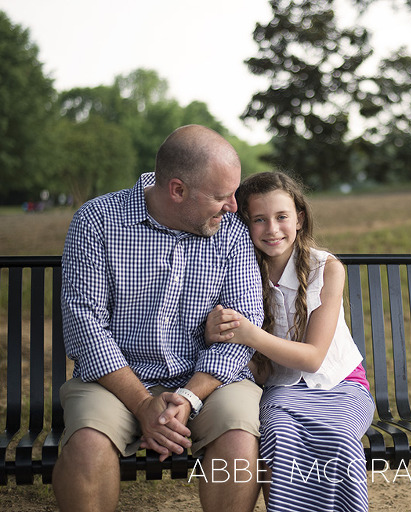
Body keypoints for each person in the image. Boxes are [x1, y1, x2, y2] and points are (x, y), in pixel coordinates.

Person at [53, 125, 265, 512]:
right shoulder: (98, 221)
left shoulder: (230, 233)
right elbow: (85, 327)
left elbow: (243, 325)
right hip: (113, 381)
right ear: (178, 190)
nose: (234, 206)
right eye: (221, 196)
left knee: (238, 436)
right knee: (87, 442)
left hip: (208, 382)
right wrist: (143, 404)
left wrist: (186, 396)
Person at [205, 171, 375, 512]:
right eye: (259, 220)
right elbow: (255, 365)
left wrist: (250, 334)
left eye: (282, 217)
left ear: (299, 218)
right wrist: (216, 334)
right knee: (278, 434)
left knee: (339, 438)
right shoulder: (242, 273)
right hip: (281, 389)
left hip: (340, 386)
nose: (272, 229)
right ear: (244, 225)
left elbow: (313, 359)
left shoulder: (325, 268)